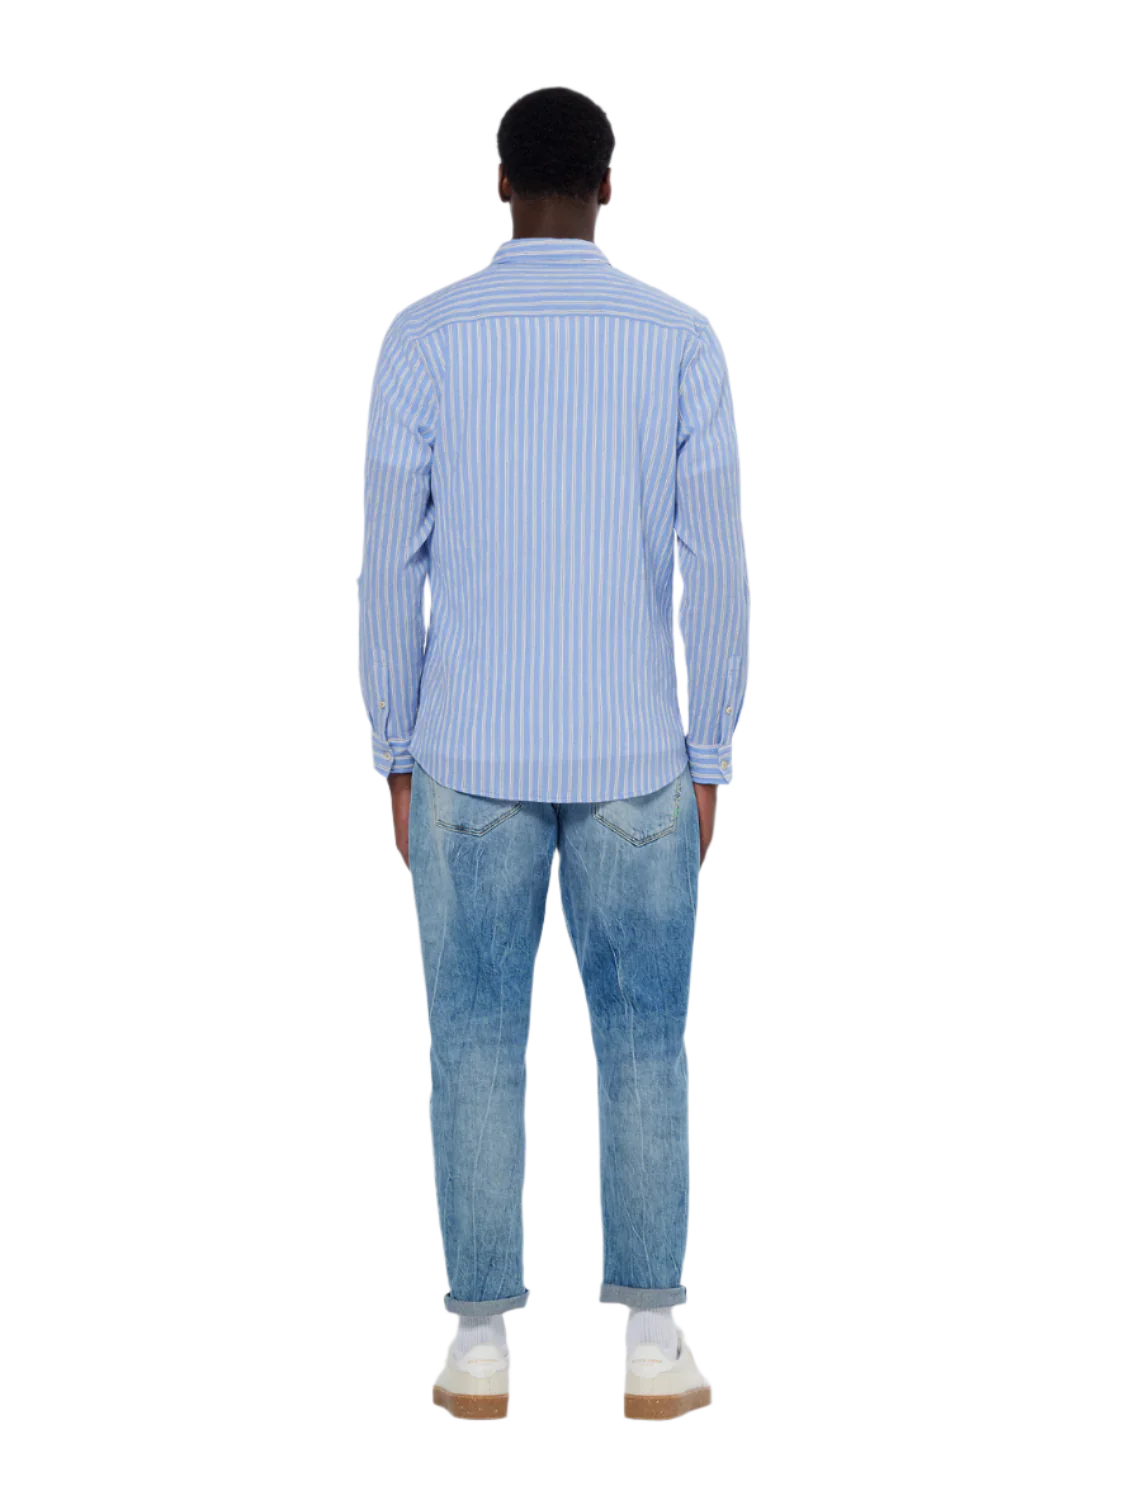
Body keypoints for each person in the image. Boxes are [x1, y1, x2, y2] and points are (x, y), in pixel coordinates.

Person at [356, 84, 750, 1421]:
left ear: (501, 183)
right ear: (610, 184)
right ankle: (654, 1348)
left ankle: (477, 1353)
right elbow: (717, 568)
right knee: (646, 1042)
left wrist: (393, 743)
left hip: (465, 754)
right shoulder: (678, 339)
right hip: (639, 756)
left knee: (472, 1042)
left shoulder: (426, 338)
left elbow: (388, 568)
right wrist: (710, 750)